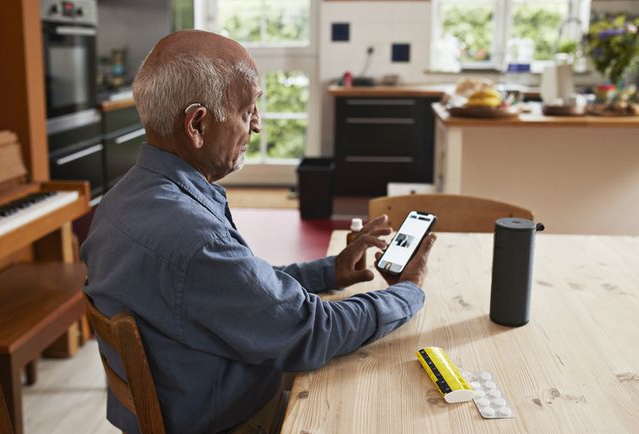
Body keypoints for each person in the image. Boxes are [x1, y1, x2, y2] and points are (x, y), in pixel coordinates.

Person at [81, 30, 436, 434]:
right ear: (197, 124)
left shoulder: (120, 200)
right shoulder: (195, 240)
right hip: (227, 420)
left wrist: (328, 273)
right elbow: (314, 331)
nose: (258, 126)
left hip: (184, 400)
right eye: (247, 110)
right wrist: (408, 292)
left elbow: (236, 290)